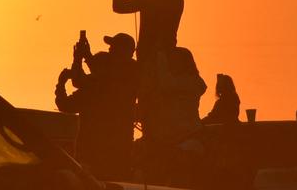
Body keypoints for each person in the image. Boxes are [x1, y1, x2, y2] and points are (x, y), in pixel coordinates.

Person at [54, 33, 139, 180]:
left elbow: (67, 102)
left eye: (112, 48)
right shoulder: (132, 76)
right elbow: (89, 78)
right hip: (121, 155)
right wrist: (84, 57)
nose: (110, 50)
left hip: (90, 156)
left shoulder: (94, 90)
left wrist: (61, 83)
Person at [142, 46, 207, 186]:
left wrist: (160, 56)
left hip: (188, 137)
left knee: (182, 178)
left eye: (174, 60)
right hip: (174, 138)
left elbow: (166, 83)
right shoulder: (187, 82)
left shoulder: (191, 81)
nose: (172, 63)